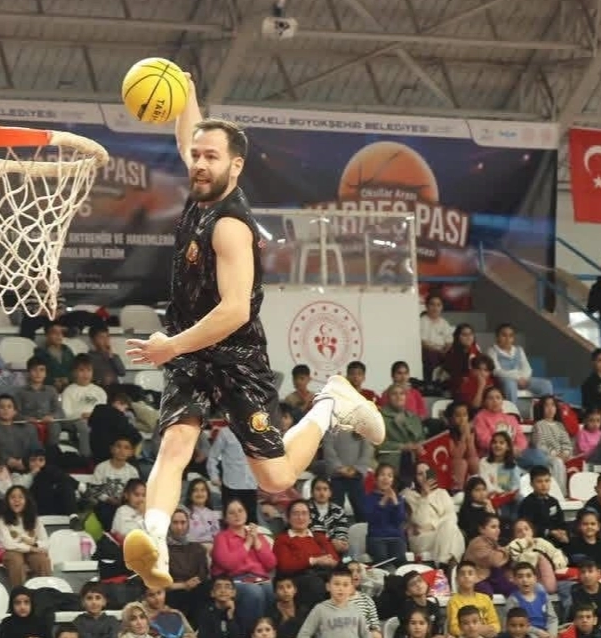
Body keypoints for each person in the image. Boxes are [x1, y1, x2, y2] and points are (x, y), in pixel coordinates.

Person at [122, 72, 385, 589]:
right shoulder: (201, 189)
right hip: (190, 351)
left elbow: (235, 311)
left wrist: (169, 346)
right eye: (196, 155)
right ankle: (154, 541)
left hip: (235, 355)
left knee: (276, 477)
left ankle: (330, 403)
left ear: (235, 166)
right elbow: (190, 133)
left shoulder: (229, 226)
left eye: (210, 157)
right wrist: (185, 91)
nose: (199, 163)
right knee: (175, 442)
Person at [297, 567, 370, 638]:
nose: (341, 588)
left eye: (345, 585)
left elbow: (366, 634)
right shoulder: (320, 609)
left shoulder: (356, 609)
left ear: (351, 588)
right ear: (328, 586)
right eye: (336, 584)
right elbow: (304, 634)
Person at [504, 563, 557, 638]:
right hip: (526, 633)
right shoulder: (513, 600)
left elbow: (552, 618)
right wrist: (538, 632)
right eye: (520, 577)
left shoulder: (543, 596)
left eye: (529, 576)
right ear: (515, 580)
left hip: (546, 633)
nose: (525, 580)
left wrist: (552, 634)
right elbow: (514, 625)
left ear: (535, 578)